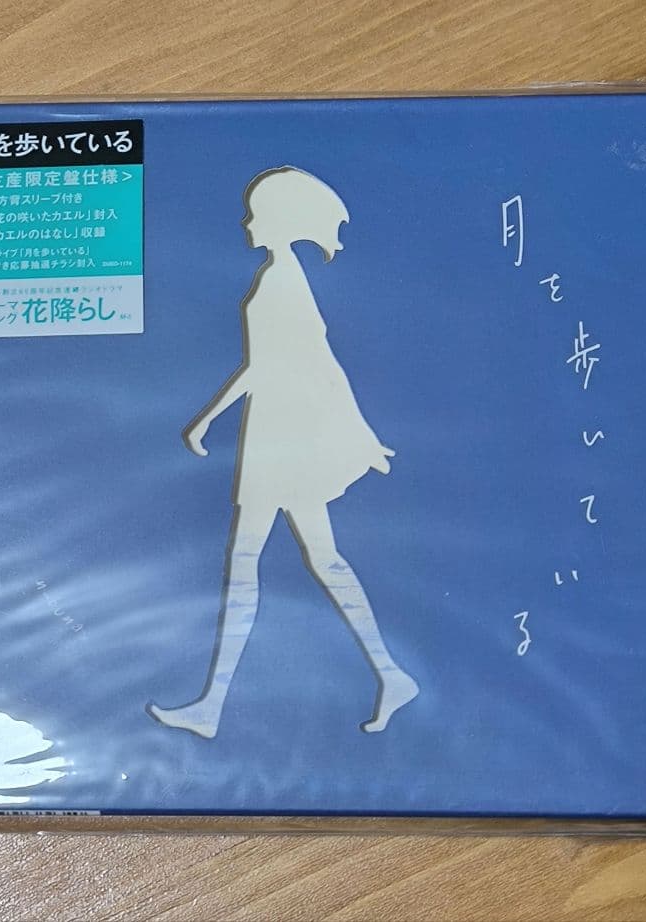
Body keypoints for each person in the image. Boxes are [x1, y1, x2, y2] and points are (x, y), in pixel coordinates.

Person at [147, 167, 419, 739]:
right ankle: (390, 675)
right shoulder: (279, 276)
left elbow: (308, 364)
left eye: (256, 212)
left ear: (279, 221)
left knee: (253, 562)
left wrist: (356, 434)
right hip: (277, 435)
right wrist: (209, 419)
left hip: (280, 440)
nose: (246, 222)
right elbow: (277, 366)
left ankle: (213, 707)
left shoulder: (280, 280)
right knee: (313, 560)